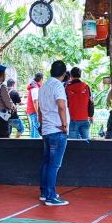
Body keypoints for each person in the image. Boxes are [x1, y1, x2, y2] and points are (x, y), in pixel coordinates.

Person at [38, 60, 70, 206]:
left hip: (46, 129)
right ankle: (51, 196)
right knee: (54, 165)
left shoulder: (43, 86)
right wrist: (64, 125)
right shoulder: (58, 86)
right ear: (64, 74)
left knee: (46, 162)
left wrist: (42, 123)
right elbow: (61, 106)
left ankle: (44, 192)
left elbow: (39, 108)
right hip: (57, 129)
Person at [65, 67, 93, 139]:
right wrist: (91, 115)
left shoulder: (67, 88)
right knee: (86, 142)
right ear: (80, 75)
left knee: (73, 143)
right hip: (85, 118)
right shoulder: (86, 87)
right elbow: (91, 102)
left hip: (73, 118)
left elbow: (65, 103)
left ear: (71, 76)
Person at [26, 73, 44, 138]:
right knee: (37, 129)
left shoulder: (34, 87)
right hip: (34, 111)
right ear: (41, 79)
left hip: (32, 111)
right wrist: (38, 113)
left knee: (34, 129)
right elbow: (35, 101)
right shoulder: (35, 88)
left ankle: (32, 145)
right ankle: (36, 146)